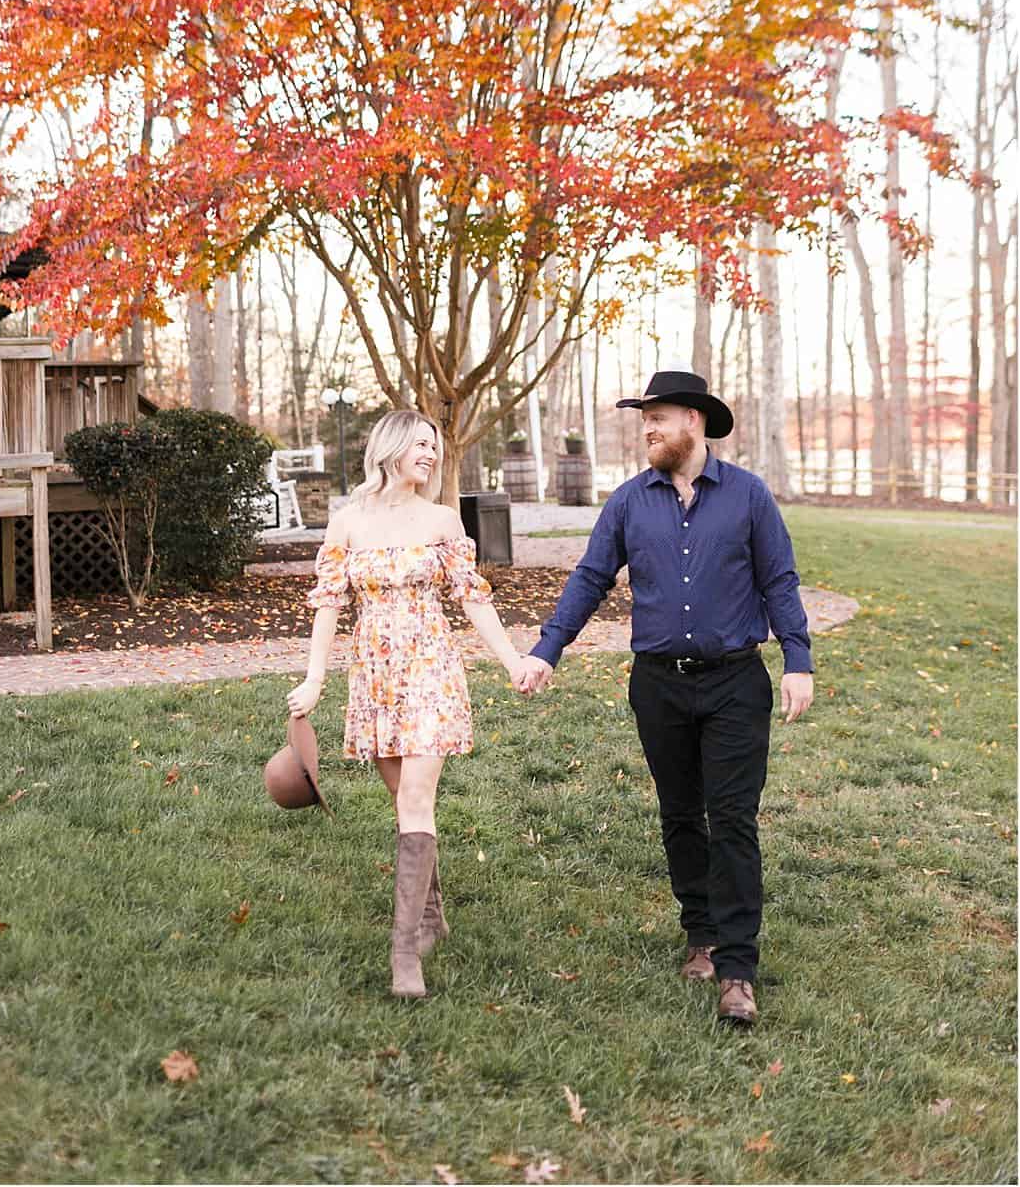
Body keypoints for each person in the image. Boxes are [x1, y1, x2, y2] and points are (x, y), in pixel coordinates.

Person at [522, 370, 815, 1025]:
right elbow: (591, 577)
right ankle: (702, 936)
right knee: (681, 813)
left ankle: (738, 968)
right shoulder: (628, 502)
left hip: (736, 681)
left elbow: (780, 578)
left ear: (695, 422)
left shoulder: (747, 496)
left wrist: (798, 659)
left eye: (659, 416)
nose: (648, 428)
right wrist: (547, 649)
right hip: (657, 685)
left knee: (732, 818)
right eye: (643, 418)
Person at [287, 409, 537, 999]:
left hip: (431, 670)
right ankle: (431, 913)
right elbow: (328, 606)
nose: (431, 454)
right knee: (403, 799)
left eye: (435, 446)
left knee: (417, 797)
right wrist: (314, 680)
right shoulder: (346, 525)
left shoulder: (442, 520)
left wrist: (512, 659)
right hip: (373, 677)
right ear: (391, 448)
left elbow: (473, 599)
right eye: (420, 445)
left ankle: (404, 956)